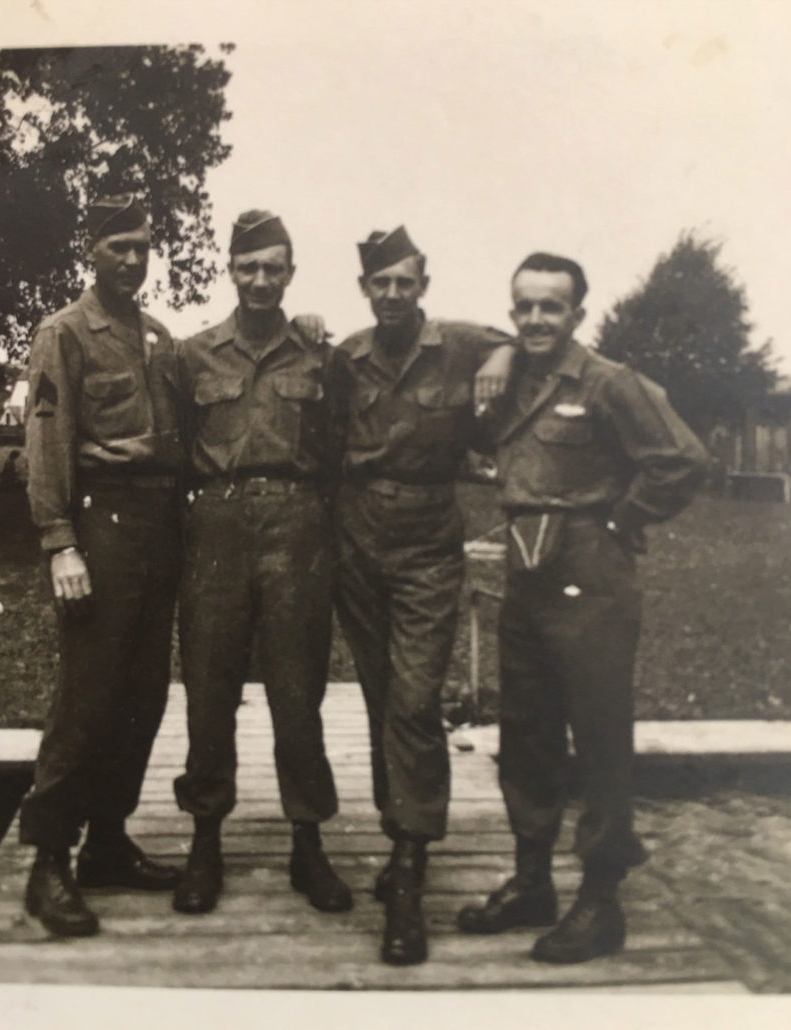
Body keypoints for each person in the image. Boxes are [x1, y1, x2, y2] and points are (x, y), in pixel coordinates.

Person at [457, 252, 708, 963]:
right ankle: (533, 883)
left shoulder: (608, 382)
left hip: (589, 572)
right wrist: (501, 350)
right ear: (512, 314)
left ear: (577, 314)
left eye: (551, 307)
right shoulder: (508, 377)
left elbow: (681, 460)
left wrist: (622, 520)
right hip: (526, 569)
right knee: (526, 733)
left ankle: (600, 905)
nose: (536, 319)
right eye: (524, 308)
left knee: (597, 739)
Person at [333, 226, 512, 965]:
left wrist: (501, 356)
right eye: (382, 283)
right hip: (356, 540)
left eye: (406, 282)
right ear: (366, 289)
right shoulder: (345, 357)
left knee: (412, 702)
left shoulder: (461, 343)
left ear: (423, 284)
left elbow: (520, 342)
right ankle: (398, 832)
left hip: (428, 544)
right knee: (383, 701)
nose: (394, 294)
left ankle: (409, 871)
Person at [172, 210, 351, 917]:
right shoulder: (193, 356)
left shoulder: (318, 356)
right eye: (247, 266)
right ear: (228, 269)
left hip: (296, 527)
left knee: (297, 691)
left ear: (290, 273)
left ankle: (308, 843)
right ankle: (204, 841)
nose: (259, 280)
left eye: (272, 267)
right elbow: (174, 445)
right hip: (215, 526)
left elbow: (337, 449)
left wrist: (319, 533)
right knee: (209, 688)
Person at [20, 193, 183, 937]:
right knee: (87, 699)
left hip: (157, 530)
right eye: (117, 245)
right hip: (102, 524)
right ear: (92, 251)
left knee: (141, 698)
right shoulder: (64, 333)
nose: (131, 257)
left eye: (141, 245)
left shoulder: (155, 337)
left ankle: (107, 843)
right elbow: (48, 444)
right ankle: (48, 860)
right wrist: (61, 544)